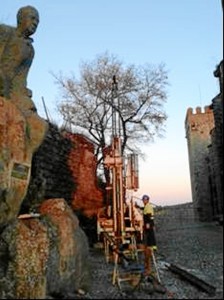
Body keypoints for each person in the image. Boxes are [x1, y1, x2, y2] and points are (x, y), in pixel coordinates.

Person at [0, 5, 39, 113]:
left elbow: (21, 78)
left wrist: (23, 91)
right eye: (32, 18)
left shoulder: (30, 50)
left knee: (39, 125)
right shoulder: (5, 31)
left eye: (37, 21)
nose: (35, 23)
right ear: (21, 18)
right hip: (1, 84)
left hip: (13, 91)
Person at [141, 194, 157, 276]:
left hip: (149, 226)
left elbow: (150, 216)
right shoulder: (146, 206)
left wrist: (148, 224)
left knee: (149, 239)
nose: (144, 201)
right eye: (143, 200)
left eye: (145, 200)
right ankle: (147, 265)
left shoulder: (148, 206)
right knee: (148, 239)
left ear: (147, 200)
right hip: (148, 226)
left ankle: (151, 247)